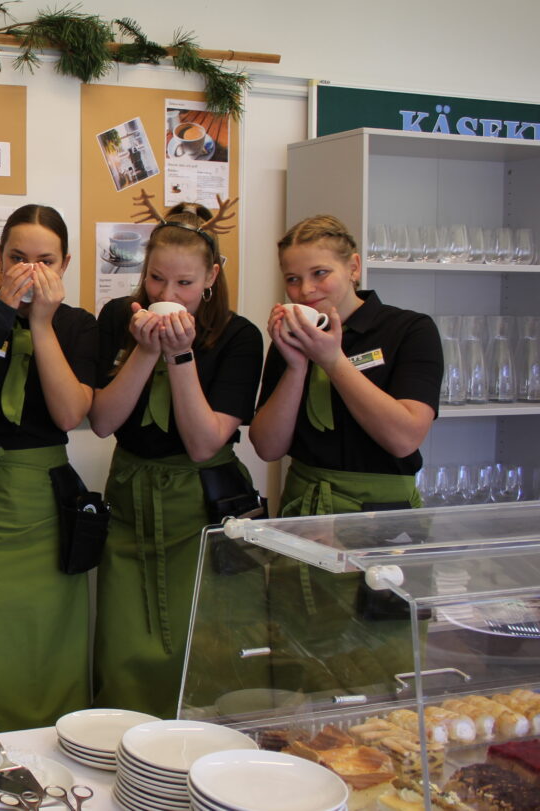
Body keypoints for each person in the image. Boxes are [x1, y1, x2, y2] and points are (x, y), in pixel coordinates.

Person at [249, 215, 441, 693]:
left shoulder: (408, 331)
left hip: (382, 524)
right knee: (301, 670)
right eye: (292, 278)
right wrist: (296, 365)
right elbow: (269, 447)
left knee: (380, 668)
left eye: (320, 273)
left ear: (353, 267)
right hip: (305, 519)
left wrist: (332, 359)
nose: (305, 289)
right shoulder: (289, 340)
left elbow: (404, 436)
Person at [88, 203, 262, 719]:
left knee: (206, 644)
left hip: (204, 504)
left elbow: (206, 442)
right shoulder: (120, 317)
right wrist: (144, 351)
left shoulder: (240, 336)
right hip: (131, 499)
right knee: (122, 646)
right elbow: (102, 422)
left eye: (184, 283)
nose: (166, 296)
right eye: (156, 278)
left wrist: (180, 358)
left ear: (210, 278)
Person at [0, 203, 96, 736]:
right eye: (17, 258)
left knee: (51, 641)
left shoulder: (78, 325)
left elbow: (71, 415)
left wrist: (41, 323)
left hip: (48, 502)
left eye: (45, 261)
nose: (29, 272)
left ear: (66, 264)